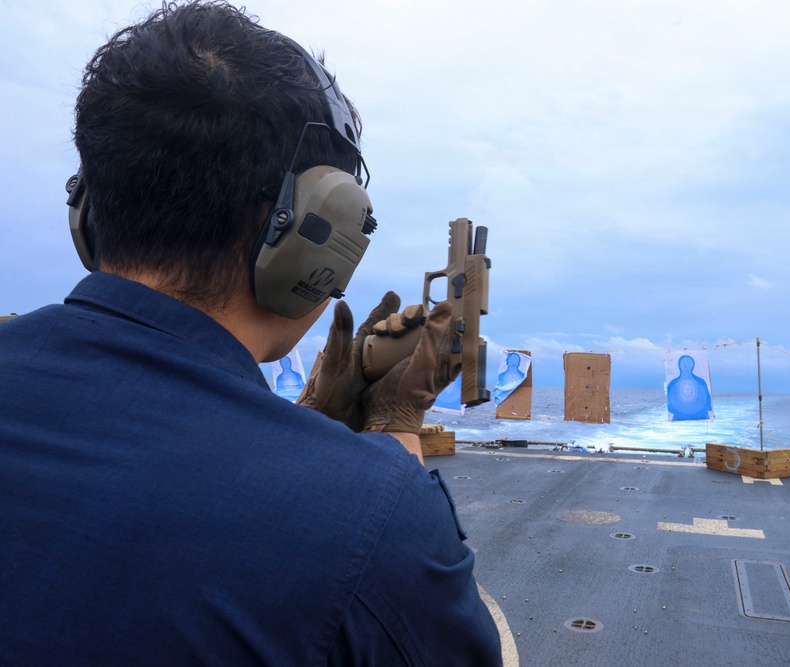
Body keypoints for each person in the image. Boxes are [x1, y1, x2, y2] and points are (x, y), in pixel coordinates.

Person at [0, 2, 501, 665]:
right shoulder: (370, 515)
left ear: (89, 211)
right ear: (319, 235)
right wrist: (393, 429)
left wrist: (301, 427)